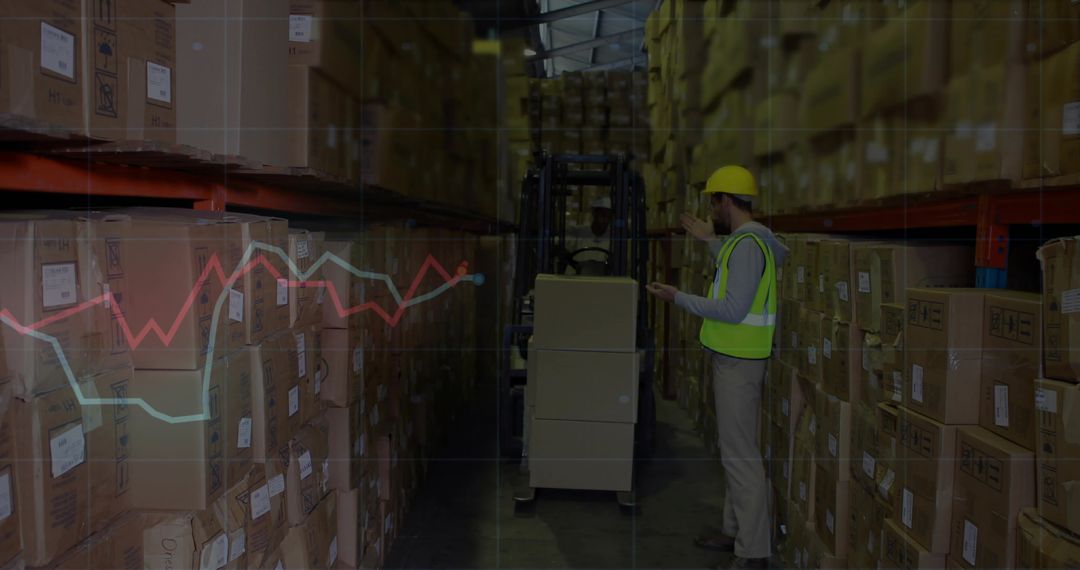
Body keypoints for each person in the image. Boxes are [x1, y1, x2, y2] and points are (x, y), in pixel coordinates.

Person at [646, 165, 788, 570]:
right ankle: (735, 531)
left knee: (741, 457)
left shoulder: (747, 245)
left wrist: (677, 297)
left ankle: (753, 552)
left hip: (740, 363)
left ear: (726, 201)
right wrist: (710, 242)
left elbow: (732, 308)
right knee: (735, 451)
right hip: (737, 359)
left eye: (713, 203)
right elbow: (736, 281)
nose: (711, 211)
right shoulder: (746, 242)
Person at [563, 197, 613, 275]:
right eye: (602, 215)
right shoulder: (577, 232)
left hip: (602, 280)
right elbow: (564, 247)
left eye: (608, 216)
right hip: (576, 278)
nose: (605, 220)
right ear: (594, 214)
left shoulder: (613, 238)